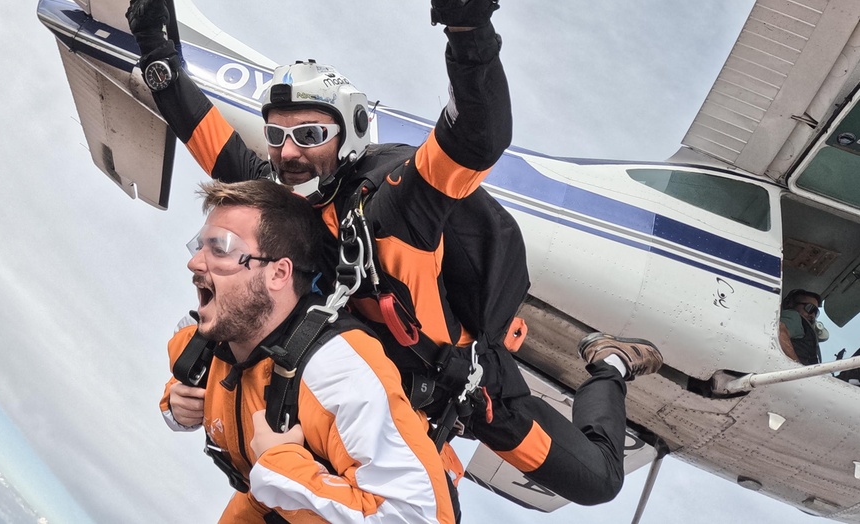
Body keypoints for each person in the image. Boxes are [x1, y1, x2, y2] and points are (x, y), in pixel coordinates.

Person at [128, 0, 664, 507]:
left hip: (471, 389)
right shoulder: (278, 202)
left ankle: (610, 363)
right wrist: (154, 46)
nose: (288, 153)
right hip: (374, 396)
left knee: (597, 480)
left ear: (350, 134)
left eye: (309, 134)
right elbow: (207, 137)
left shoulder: (395, 203)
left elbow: (475, 138)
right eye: (276, 134)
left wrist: (468, 29)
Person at [161, 178, 456, 523]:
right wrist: (175, 407)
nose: (195, 263)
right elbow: (188, 376)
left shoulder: (337, 372)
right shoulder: (204, 339)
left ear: (278, 273)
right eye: (199, 245)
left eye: (221, 248)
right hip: (268, 498)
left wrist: (280, 465)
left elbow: (420, 516)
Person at [778, 289, 823, 365]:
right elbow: (779, 330)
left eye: (816, 312)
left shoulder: (806, 329)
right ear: (792, 305)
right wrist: (796, 366)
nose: (813, 315)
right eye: (810, 308)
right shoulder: (794, 316)